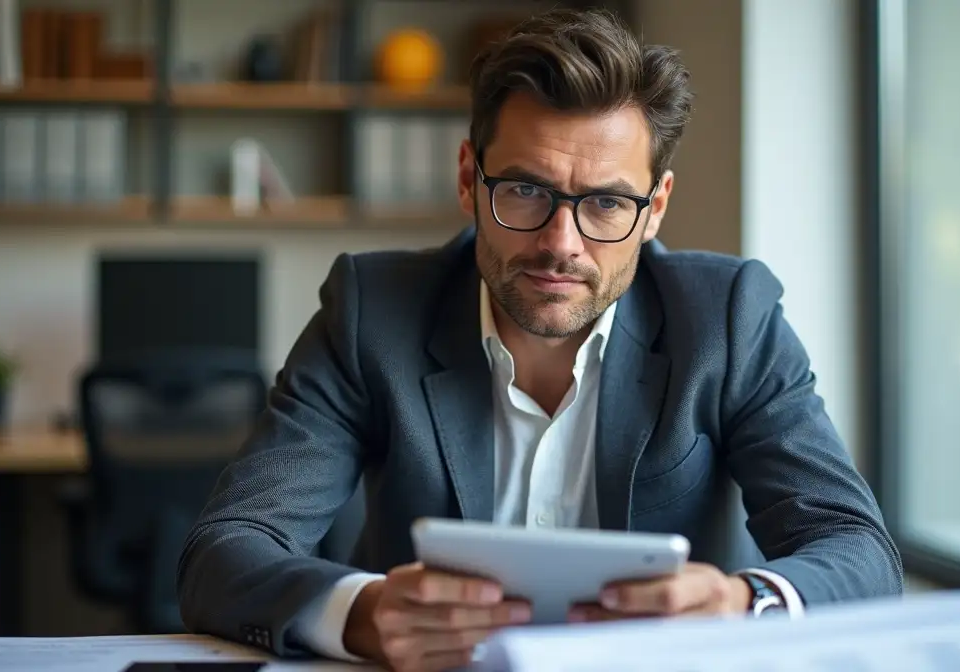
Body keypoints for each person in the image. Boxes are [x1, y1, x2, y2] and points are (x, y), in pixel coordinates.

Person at [177, 7, 902, 672]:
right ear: (469, 178)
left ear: (656, 209)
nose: (562, 244)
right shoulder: (374, 312)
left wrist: (741, 607)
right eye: (524, 190)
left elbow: (859, 550)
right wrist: (361, 614)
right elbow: (225, 551)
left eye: (608, 203)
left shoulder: (729, 318)